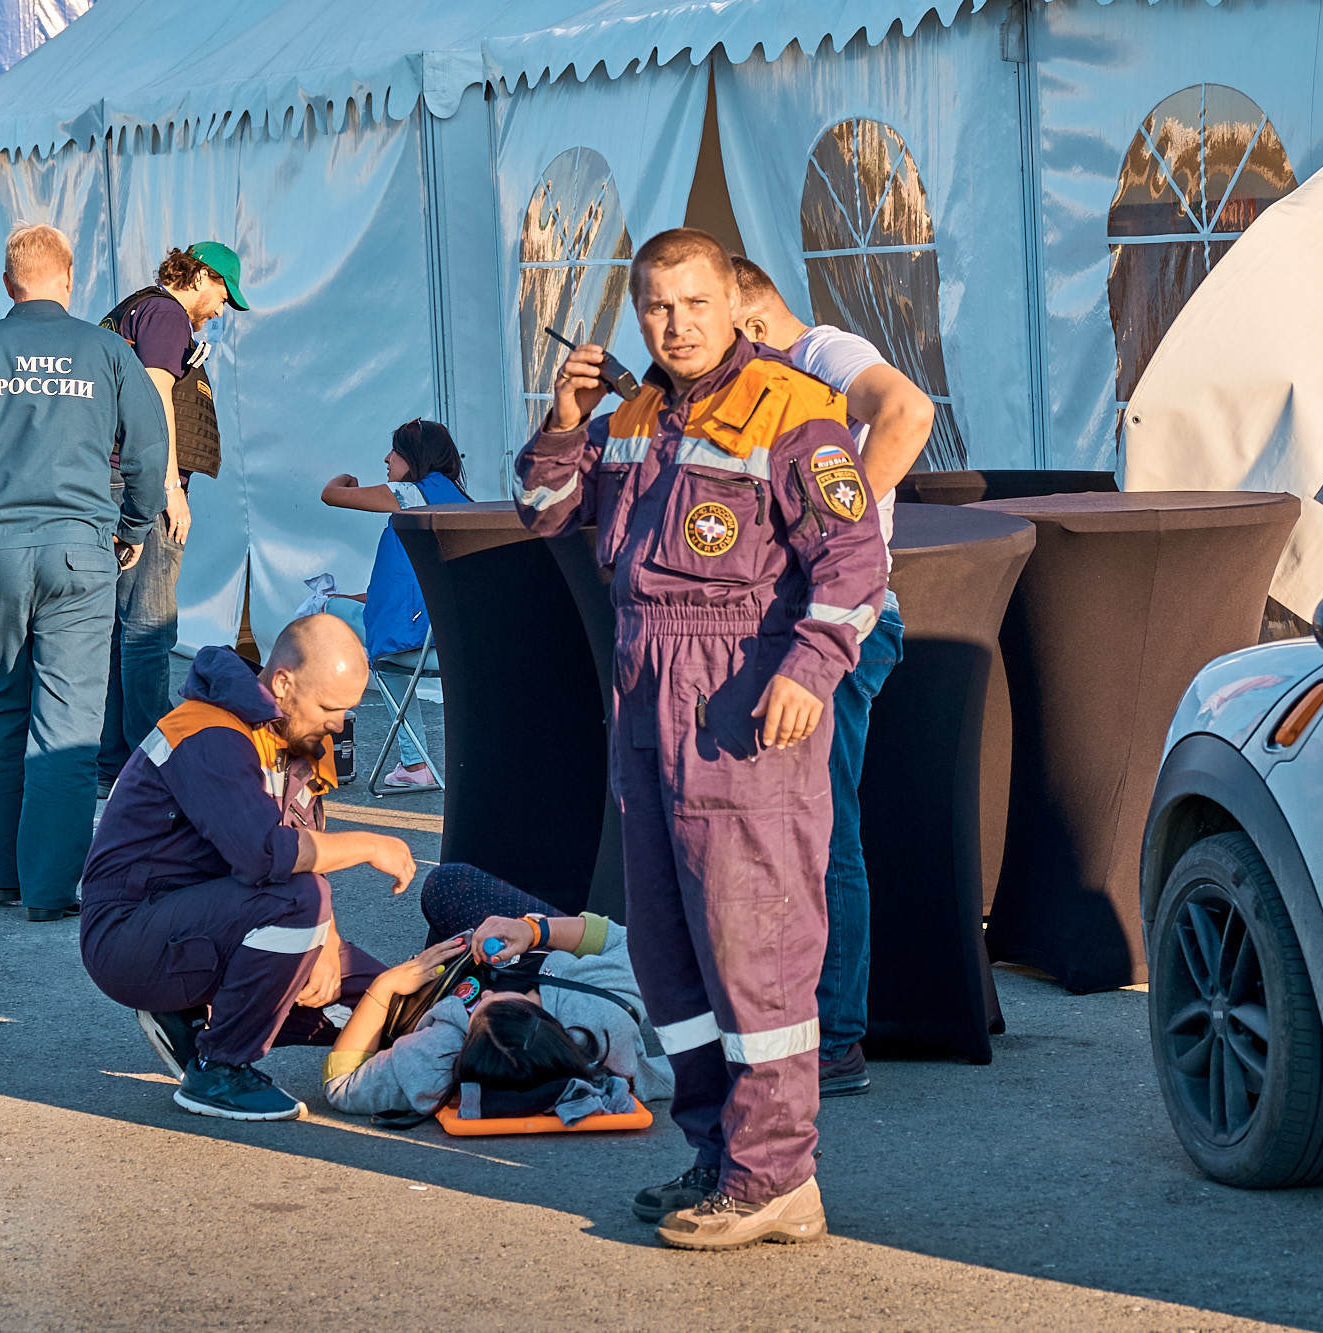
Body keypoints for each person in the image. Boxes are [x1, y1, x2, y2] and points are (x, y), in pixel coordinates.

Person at [513, 228, 886, 1250]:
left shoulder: (789, 409)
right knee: (671, 950)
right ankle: (717, 1152)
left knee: (753, 939)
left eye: (691, 303)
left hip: (739, 694)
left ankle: (775, 1176)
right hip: (645, 695)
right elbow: (543, 510)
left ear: (732, 304)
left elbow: (853, 562)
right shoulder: (631, 416)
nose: (672, 326)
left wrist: (810, 670)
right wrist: (562, 419)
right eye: (654, 308)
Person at [0, 224, 167, 922]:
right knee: (69, 725)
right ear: (70, 277)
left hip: (0, 552)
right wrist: (135, 529)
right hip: (83, 552)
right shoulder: (110, 351)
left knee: (1, 706)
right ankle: (51, 889)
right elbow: (147, 449)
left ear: (7, 284)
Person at [731, 257, 937, 1097]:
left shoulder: (823, 351)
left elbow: (910, 410)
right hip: (804, 619)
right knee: (796, 823)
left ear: (745, 320)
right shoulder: (778, 378)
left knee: (824, 826)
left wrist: (841, 527)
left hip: (844, 620)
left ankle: (836, 1035)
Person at [80, 614, 416, 1122]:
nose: (337, 724)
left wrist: (323, 941)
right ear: (283, 684)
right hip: (128, 936)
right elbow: (267, 855)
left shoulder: (292, 732)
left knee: (388, 1001)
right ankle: (219, 1068)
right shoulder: (210, 732)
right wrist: (368, 844)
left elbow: (302, 851)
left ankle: (193, 1021)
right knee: (298, 905)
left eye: (347, 710)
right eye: (329, 707)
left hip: (205, 913)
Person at [323, 861, 673, 1119]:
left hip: (421, 989)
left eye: (473, 1015)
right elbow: (627, 941)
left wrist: (383, 990)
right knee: (448, 884)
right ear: (548, 1021)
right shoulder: (600, 1014)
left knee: (444, 886)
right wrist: (536, 932)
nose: (485, 997)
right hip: (526, 952)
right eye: (511, 1003)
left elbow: (341, 1086)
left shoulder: (436, 1057)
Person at [95, 241, 249, 795]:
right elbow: (158, 395)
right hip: (140, 483)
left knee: (121, 625)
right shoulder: (166, 314)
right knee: (149, 625)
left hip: (110, 479)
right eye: (223, 294)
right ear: (202, 277)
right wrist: (167, 487)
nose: (221, 309)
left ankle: (113, 759)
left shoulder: (133, 308)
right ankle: (147, 764)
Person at [318, 418, 470, 788]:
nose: (387, 458)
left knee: (323, 614)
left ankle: (313, 737)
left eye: (396, 451)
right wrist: (359, 599)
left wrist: (344, 479)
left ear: (415, 457)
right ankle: (412, 763)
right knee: (369, 629)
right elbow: (413, 584)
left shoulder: (411, 496)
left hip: (419, 648)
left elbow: (330, 494)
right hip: (460, 643)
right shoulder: (463, 501)